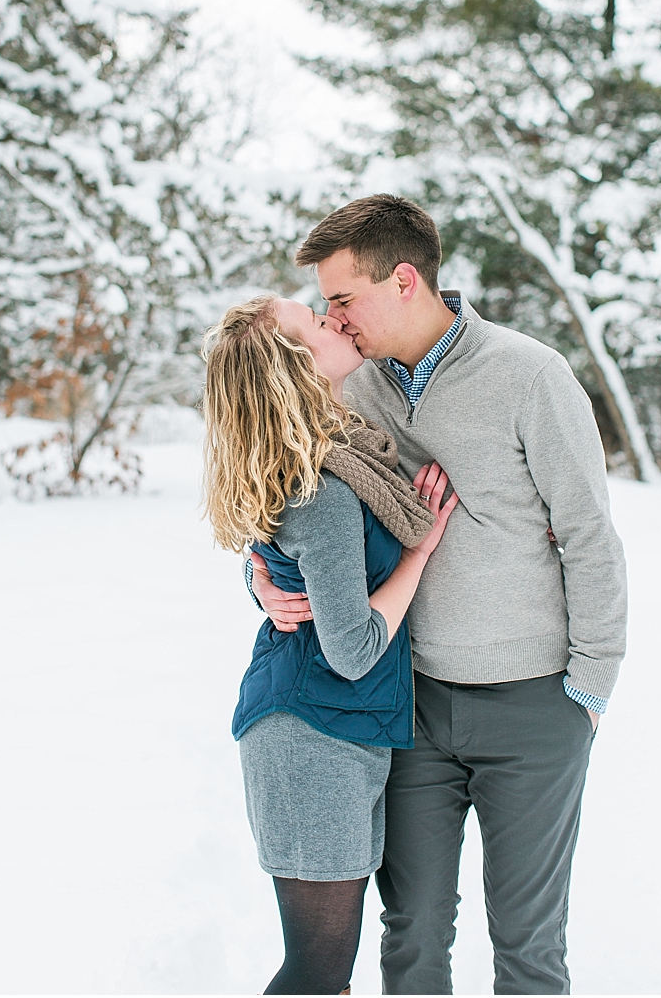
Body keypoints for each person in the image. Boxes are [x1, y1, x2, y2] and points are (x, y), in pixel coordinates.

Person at [255, 194, 627, 994]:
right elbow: (286, 497)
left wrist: (589, 688)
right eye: (324, 306)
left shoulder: (531, 375)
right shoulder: (351, 389)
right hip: (411, 705)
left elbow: (591, 535)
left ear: (402, 280)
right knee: (412, 935)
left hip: (534, 704)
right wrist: (257, 575)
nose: (335, 319)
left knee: (529, 946)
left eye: (343, 299)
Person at [204, 294, 458, 995]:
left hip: (334, 727)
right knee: (317, 972)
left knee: (324, 973)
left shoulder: (335, 452)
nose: (333, 317)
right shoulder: (324, 485)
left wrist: (259, 581)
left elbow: (287, 562)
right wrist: (420, 551)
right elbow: (351, 648)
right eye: (315, 322)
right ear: (297, 367)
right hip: (311, 733)